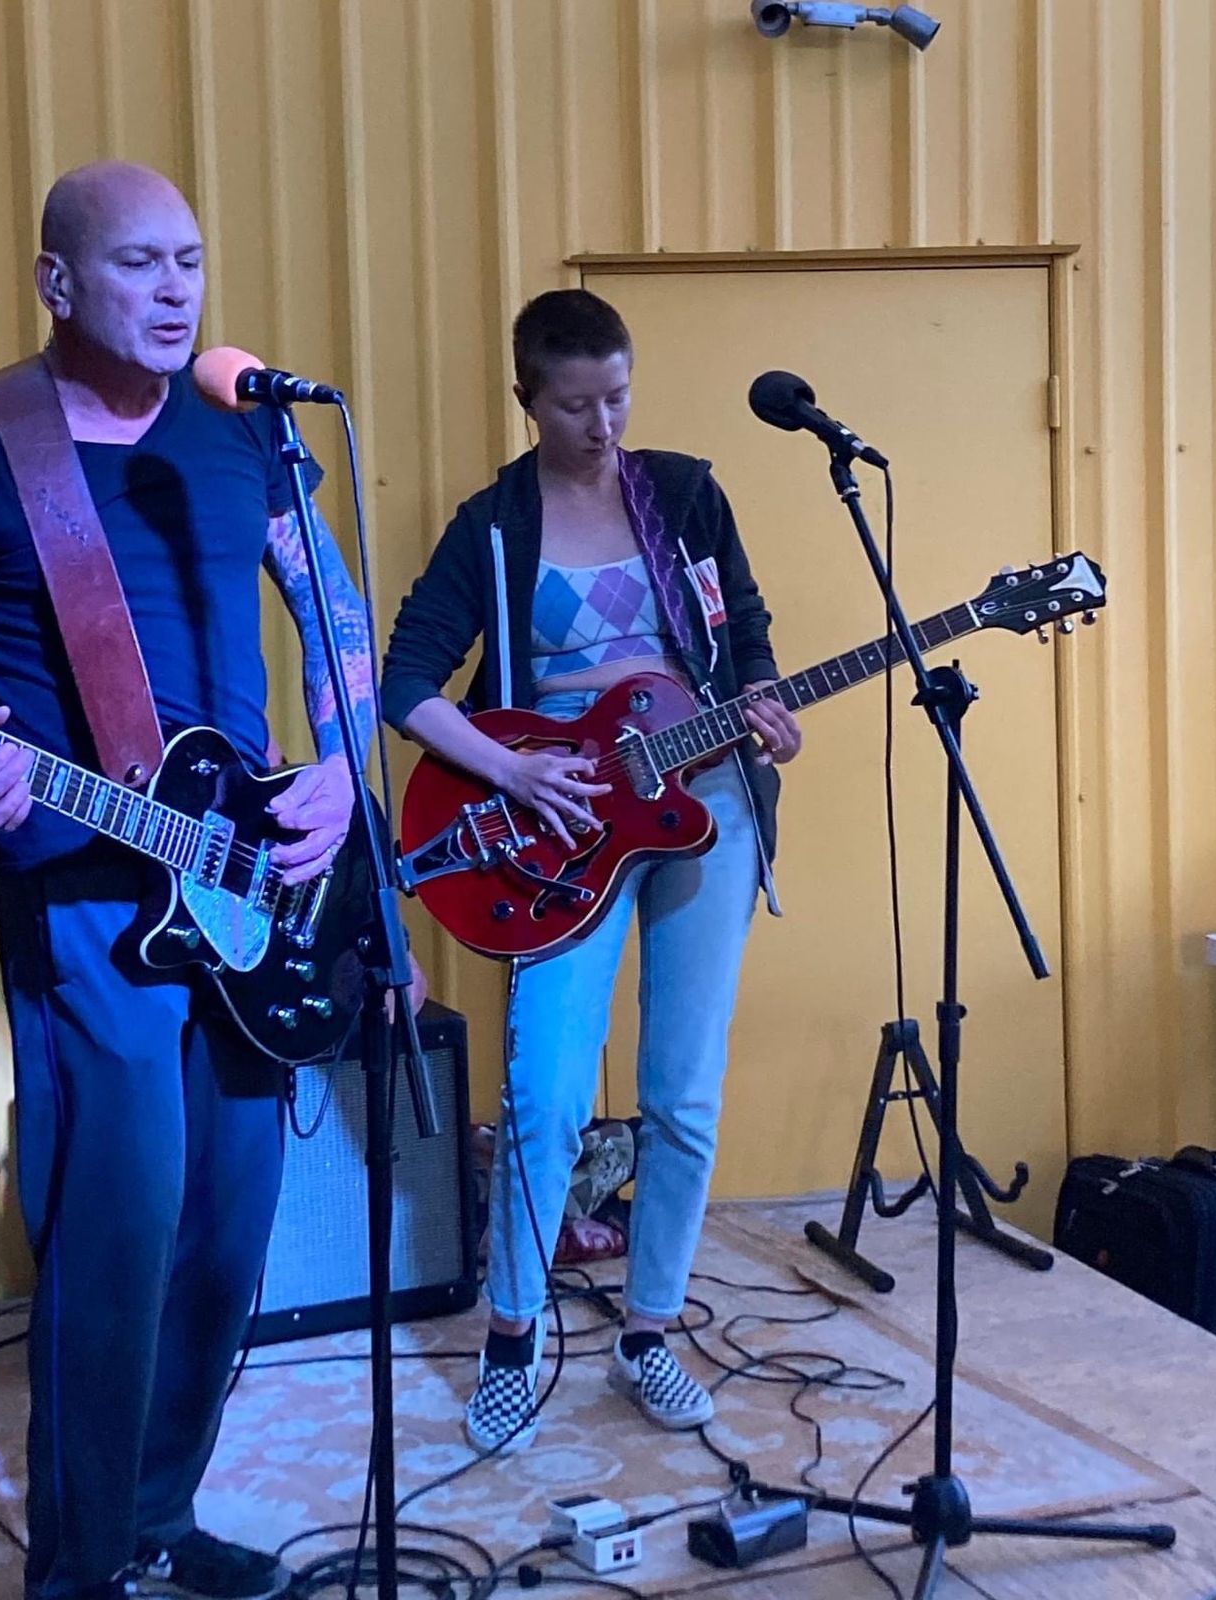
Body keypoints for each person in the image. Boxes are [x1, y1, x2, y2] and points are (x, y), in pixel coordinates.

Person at [0, 162, 384, 1600]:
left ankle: (159, 1517)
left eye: (191, 263)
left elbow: (332, 611)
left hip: (250, 880)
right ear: (56, 281)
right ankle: (81, 1570)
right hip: (89, 891)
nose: (175, 292)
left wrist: (344, 765)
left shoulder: (245, 432)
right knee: (120, 1233)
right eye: (139, 264)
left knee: (228, 1233)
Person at [381, 289, 802, 1452]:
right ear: (528, 398)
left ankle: (650, 1330)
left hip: (704, 805)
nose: (603, 424)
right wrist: (510, 771)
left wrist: (763, 702)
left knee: (685, 1093)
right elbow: (404, 679)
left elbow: (746, 632)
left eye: (618, 396)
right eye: (576, 405)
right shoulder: (493, 527)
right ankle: (512, 1339)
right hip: (560, 825)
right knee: (548, 1095)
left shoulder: (686, 495)